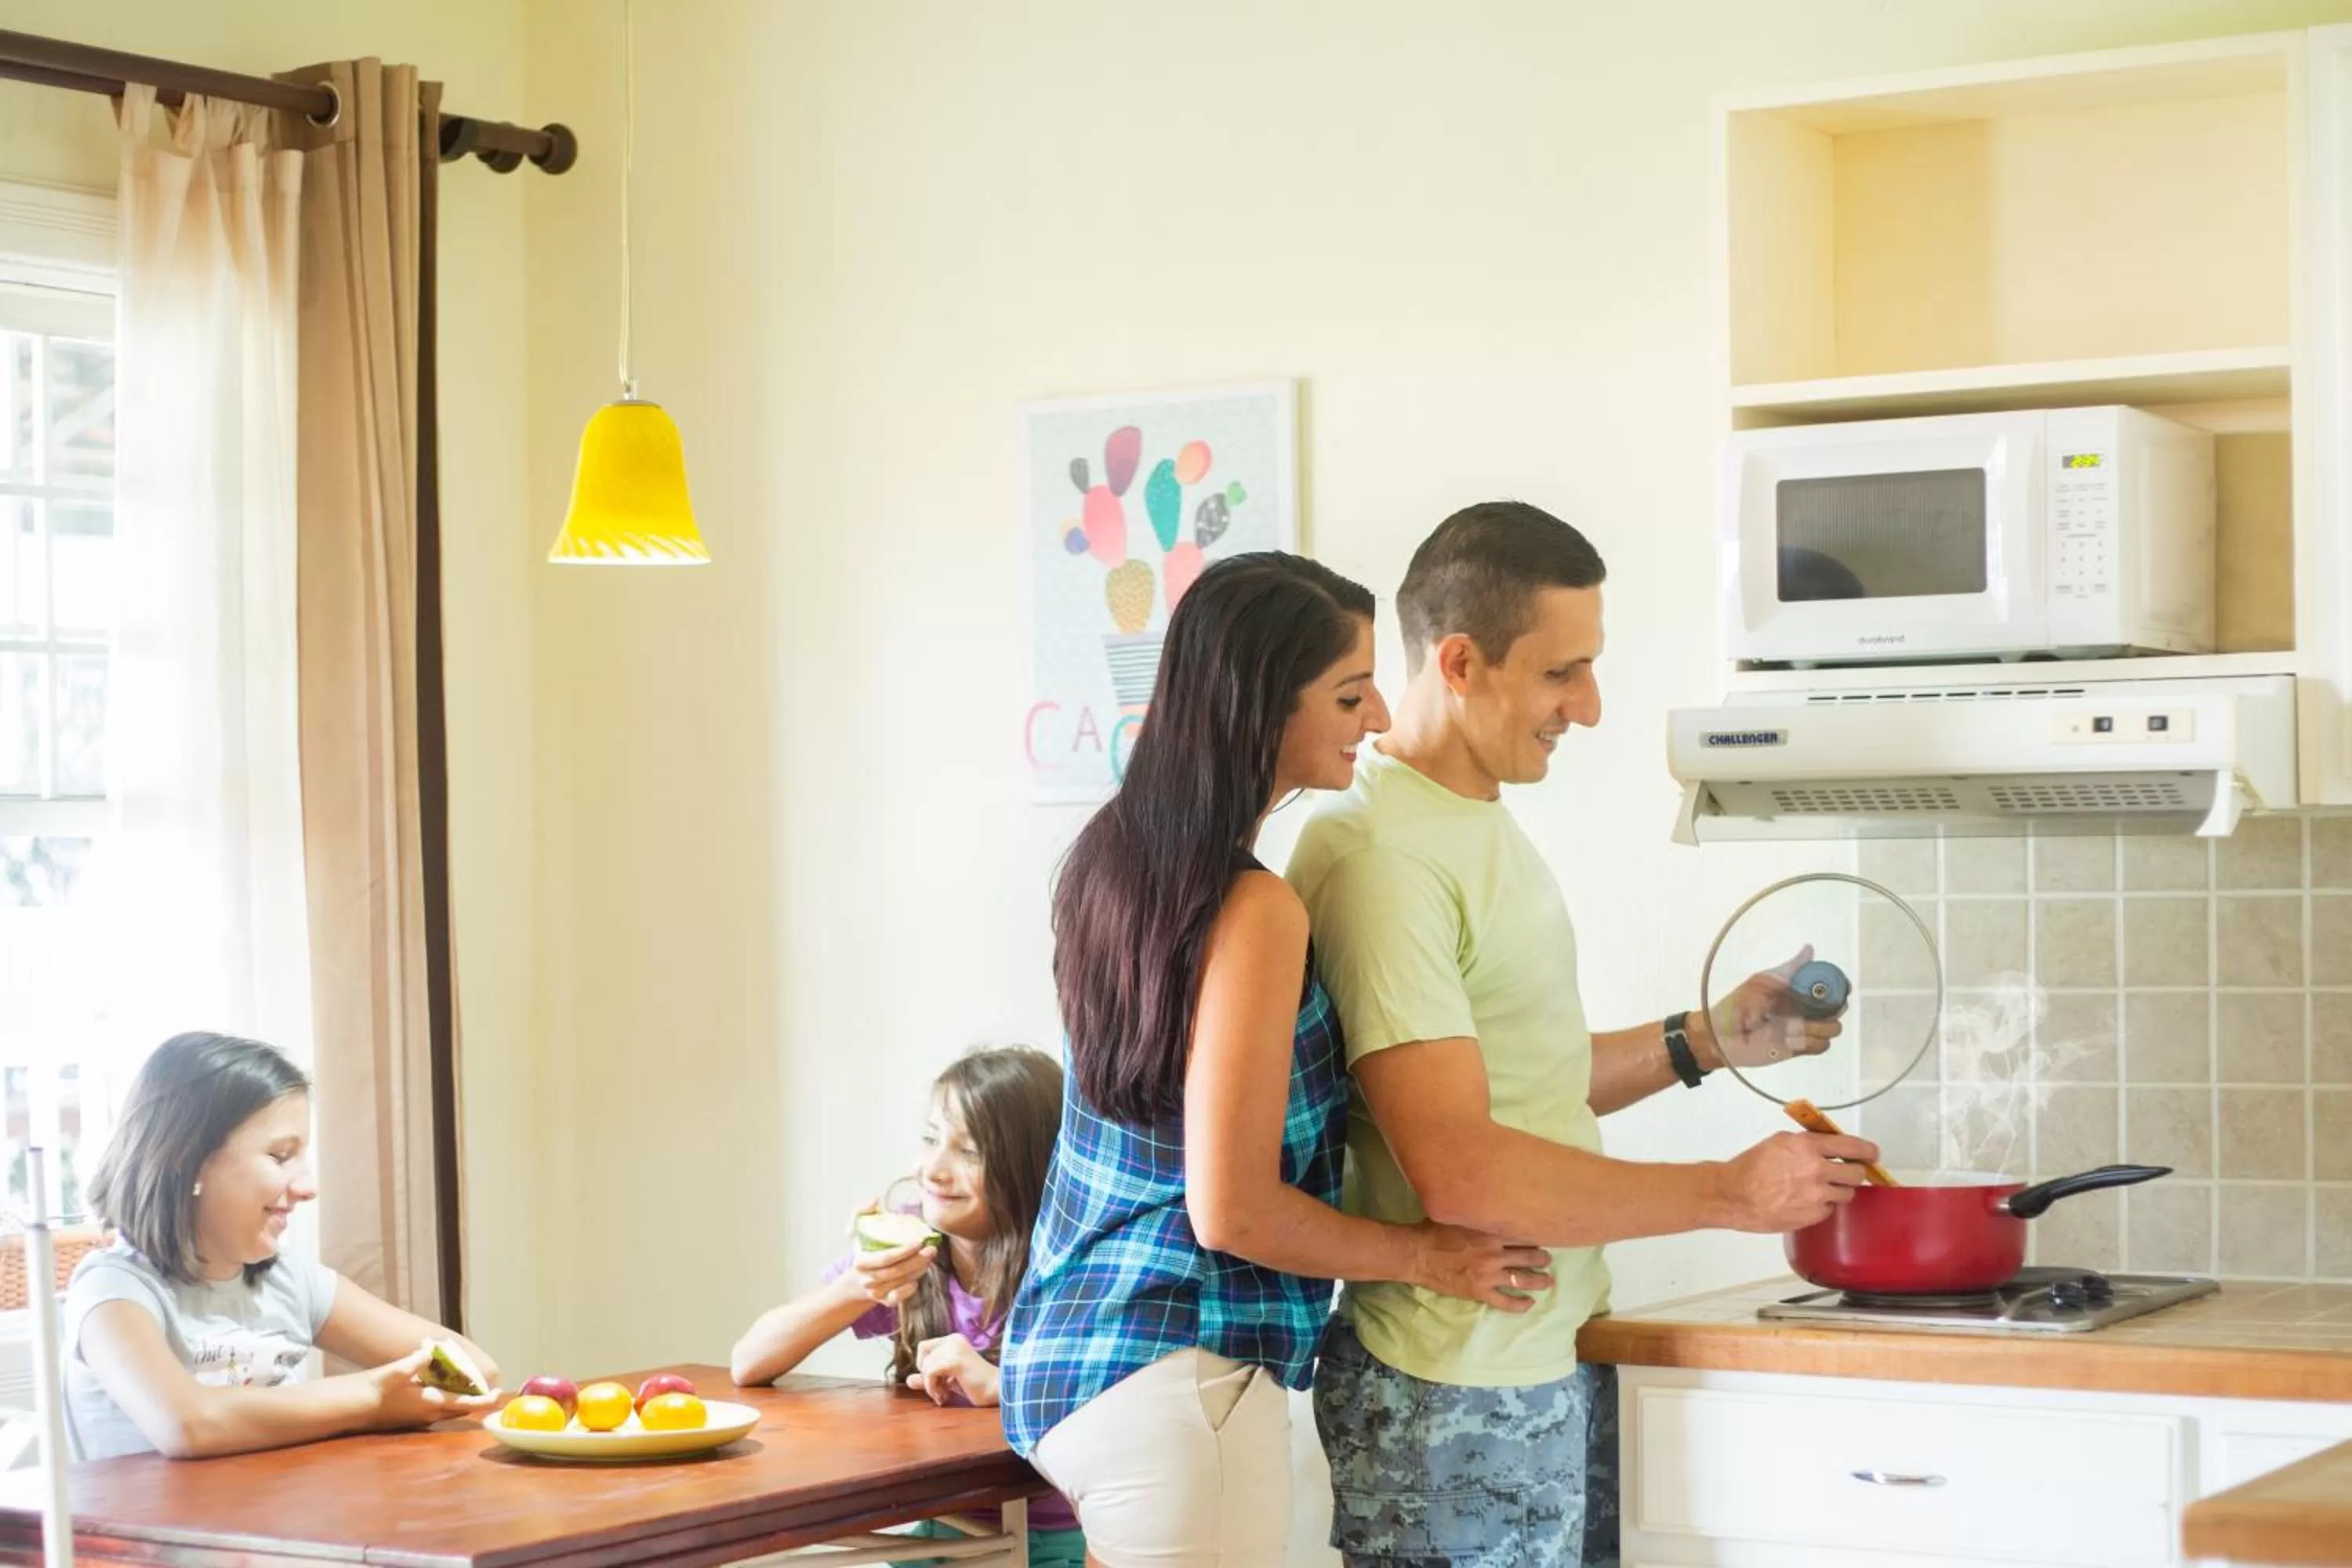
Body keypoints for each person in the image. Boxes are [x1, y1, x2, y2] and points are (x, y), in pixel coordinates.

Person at [1287, 501, 1881, 1566]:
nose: (1591, 707)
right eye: (1565, 672)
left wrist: (1708, 1038)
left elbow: (1521, 1085)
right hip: (1451, 1390)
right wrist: (1731, 1193)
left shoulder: (1464, 819)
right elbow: (1461, 1167)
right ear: (1462, 662)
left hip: (1544, 1352)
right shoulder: (1382, 859)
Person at [1000, 551, 1550, 1568]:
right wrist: (1429, 1255)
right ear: (1259, 707)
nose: (1380, 717)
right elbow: (1233, 1211)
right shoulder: (1252, 908)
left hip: (1078, 1357)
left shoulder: (1112, 862)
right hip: (1177, 1375)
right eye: (1348, 693)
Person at [62, 1031, 503, 1460]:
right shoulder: (113, 1291)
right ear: (188, 1159)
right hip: (154, 1534)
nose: (308, 1187)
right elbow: (187, 1424)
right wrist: (370, 1398)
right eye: (279, 1157)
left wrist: (400, 1393)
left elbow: (476, 1370)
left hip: (270, 1526)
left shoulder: (289, 1278)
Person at [729, 1044, 1086, 1568]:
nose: (933, 1170)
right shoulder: (915, 1255)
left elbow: (1102, 1400)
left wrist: (1000, 1384)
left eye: (970, 1152)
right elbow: (750, 1361)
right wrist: (856, 1286)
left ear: (1032, 1165)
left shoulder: (1067, 1270)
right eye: (930, 1139)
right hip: (940, 1530)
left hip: (1045, 1546)